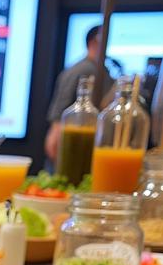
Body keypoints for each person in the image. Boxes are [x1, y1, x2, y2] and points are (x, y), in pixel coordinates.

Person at [45, 25, 114, 162]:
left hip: (83, 138)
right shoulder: (85, 69)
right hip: (75, 138)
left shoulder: (97, 69)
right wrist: (55, 132)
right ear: (93, 42)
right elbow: (62, 103)